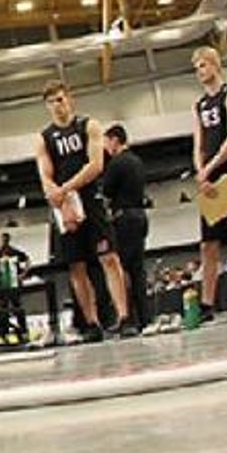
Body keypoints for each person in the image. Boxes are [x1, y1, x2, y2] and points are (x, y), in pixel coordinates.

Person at [34, 80, 127, 341]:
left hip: (89, 200)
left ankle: (123, 316)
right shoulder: (44, 138)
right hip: (65, 207)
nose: (58, 106)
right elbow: (44, 173)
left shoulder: (89, 126)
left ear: (70, 99)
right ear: (46, 106)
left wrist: (66, 189)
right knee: (77, 266)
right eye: (52, 101)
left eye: (61, 99)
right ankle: (92, 322)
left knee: (109, 258)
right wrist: (57, 195)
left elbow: (95, 165)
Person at [190, 46, 227, 319]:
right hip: (209, 182)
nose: (200, 72)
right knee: (209, 243)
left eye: (203, 65)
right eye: (196, 68)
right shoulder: (200, 105)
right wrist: (201, 172)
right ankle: (206, 304)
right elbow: (198, 143)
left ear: (214, 65)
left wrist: (212, 167)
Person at [102, 123, 149, 331]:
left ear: (114, 140)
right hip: (140, 215)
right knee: (138, 269)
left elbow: (106, 191)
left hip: (124, 218)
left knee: (123, 270)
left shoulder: (116, 163)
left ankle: (127, 317)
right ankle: (144, 317)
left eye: (106, 142)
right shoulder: (137, 161)